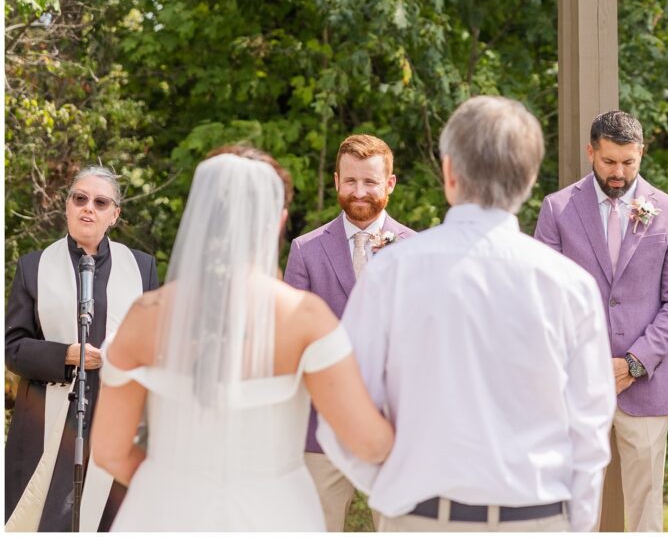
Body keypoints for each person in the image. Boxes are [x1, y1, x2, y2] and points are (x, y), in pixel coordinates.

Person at [318, 96, 616, 532]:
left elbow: (341, 412)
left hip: (421, 519)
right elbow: (591, 431)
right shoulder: (571, 286)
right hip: (538, 520)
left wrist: (393, 490)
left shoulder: (391, 273)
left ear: (449, 172)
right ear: (530, 179)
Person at [91, 146, 394, 532]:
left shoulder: (145, 316)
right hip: (275, 514)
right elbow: (369, 443)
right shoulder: (303, 317)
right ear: (280, 218)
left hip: (164, 513)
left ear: (202, 216)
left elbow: (109, 451)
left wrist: (172, 484)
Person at [534, 110, 668, 532]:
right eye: (609, 162)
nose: (618, 173)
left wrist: (634, 363)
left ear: (641, 154)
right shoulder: (558, 208)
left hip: (645, 383)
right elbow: (544, 299)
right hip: (576, 385)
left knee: (645, 507)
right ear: (591, 152)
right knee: (571, 507)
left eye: (629, 162)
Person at [5, 165, 158, 532]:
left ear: (114, 214)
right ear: (68, 206)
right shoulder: (33, 267)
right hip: (48, 420)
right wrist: (64, 356)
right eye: (80, 198)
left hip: (117, 421)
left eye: (100, 202)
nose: (88, 208)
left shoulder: (141, 267)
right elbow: (12, 347)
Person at [284, 134, 415, 531]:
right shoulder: (306, 250)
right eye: (352, 181)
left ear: (389, 184)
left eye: (371, 182)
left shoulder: (417, 250)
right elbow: (294, 341)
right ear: (337, 181)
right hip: (321, 431)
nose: (360, 192)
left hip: (396, 431)